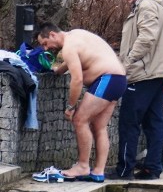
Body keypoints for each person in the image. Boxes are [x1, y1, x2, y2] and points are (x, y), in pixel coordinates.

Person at [111, 0, 163, 180]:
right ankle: (152, 168)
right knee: (154, 121)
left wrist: (127, 62)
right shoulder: (152, 4)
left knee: (129, 121)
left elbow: (146, 38)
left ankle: (125, 169)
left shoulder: (146, 6)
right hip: (155, 72)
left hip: (144, 73)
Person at [37, 23, 127, 182]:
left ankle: (83, 166)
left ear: (52, 35)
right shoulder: (75, 34)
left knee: (79, 119)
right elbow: (72, 60)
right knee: (99, 127)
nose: (45, 48)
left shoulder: (68, 47)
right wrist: (57, 70)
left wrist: (71, 106)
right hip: (118, 79)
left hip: (106, 79)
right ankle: (99, 171)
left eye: (45, 43)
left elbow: (77, 79)